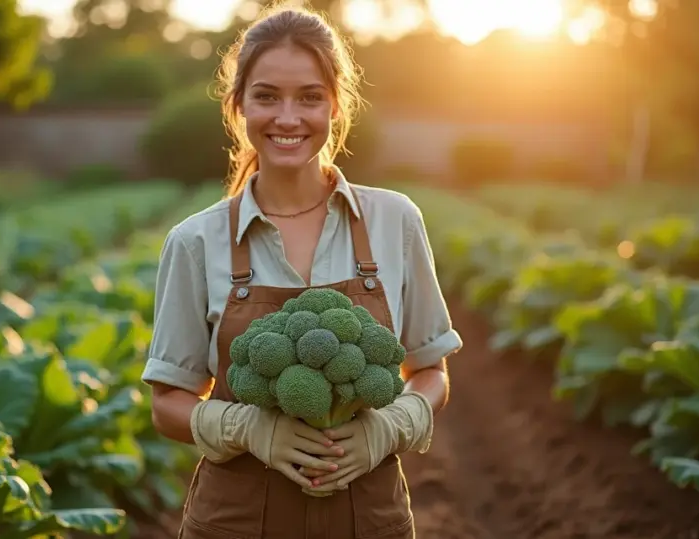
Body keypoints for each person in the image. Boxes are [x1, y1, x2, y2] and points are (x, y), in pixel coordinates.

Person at [140, 4, 463, 538]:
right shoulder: (195, 242)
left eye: (310, 97)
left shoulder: (395, 221)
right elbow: (168, 403)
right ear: (238, 104)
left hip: (370, 519)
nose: (287, 118)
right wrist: (251, 429)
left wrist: (388, 427)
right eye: (266, 96)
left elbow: (431, 371)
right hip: (235, 522)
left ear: (336, 106)